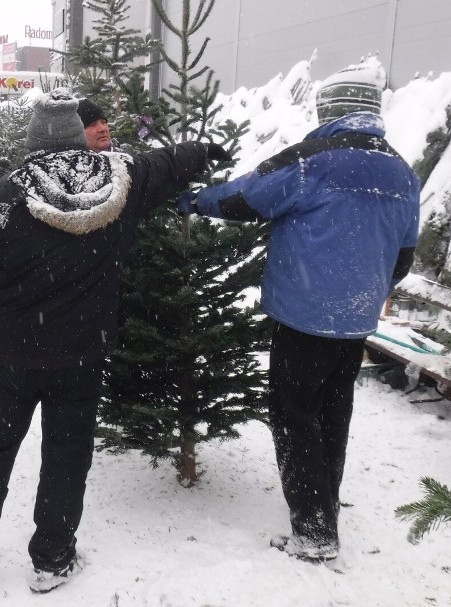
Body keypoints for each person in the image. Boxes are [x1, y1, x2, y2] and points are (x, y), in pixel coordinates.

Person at [0, 88, 229, 593]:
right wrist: (204, 151)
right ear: (78, 137)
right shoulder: (118, 182)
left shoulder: (0, 198)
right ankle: (53, 558)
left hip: (13, 356)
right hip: (81, 355)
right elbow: (162, 164)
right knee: (67, 453)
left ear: (33, 141)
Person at [176, 62, 421, 562]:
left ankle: (313, 532)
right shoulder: (402, 171)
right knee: (334, 411)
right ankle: (324, 507)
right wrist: (366, 288)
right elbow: (404, 256)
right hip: (356, 319)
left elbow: (249, 195)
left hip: (304, 315)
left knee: (293, 414)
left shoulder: (315, 159)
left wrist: (196, 201)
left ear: (330, 109)